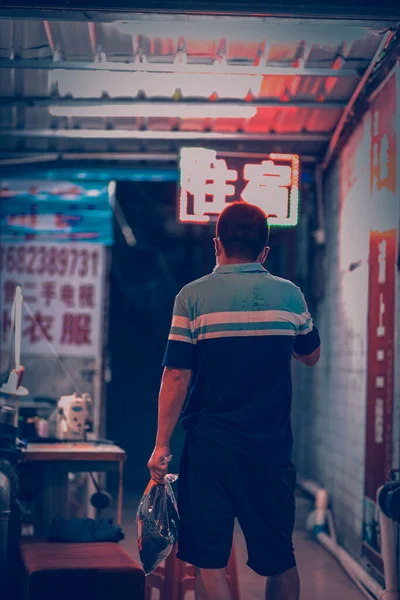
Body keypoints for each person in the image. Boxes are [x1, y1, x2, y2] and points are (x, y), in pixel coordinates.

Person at [148, 202, 321, 600]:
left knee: (208, 561)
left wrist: (161, 445)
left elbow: (176, 373)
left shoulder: (191, 297)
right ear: (264, 252)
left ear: (216, 245)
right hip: (270, 451)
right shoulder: (289, 296)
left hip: (211, 449)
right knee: (280, 558)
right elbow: (310, 355)